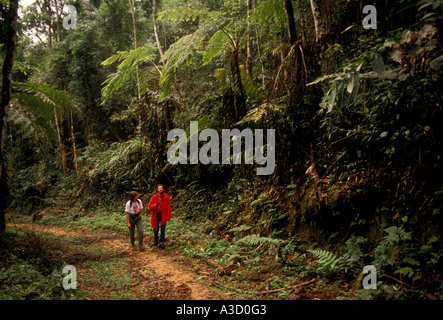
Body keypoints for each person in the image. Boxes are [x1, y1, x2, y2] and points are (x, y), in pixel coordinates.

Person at [148, 184, 171, 248]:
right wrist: (153, 206)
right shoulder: (154, 197)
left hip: (163, 215)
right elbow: (149, 207)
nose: (160, 189)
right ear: (157, 189)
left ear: (163, 189)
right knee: (156, 229)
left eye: (161, 188)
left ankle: (161, 242)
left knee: (163, 230)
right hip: (156, 215)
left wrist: (168, 217)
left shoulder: (166, 197)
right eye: (158, 188)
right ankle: (156, 241)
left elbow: (168, 208)